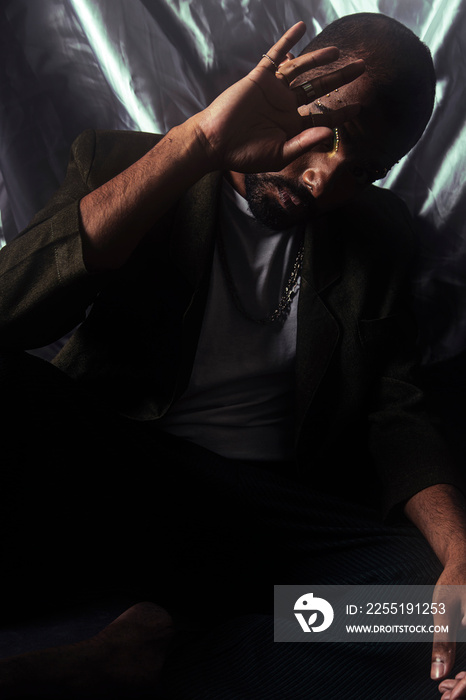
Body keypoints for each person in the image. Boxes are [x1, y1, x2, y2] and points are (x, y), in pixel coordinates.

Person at [0, 11, 465, 699]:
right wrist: (200, 145)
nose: (324, 179)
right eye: (326, 132)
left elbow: (396, 412)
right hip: (125, 471)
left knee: (424, 613)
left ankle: (166, 658)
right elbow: (12, 313)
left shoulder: (378, 236)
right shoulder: (129, 165)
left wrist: (460, 550)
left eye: (363, 168)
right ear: (286, 90)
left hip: (268, 513)